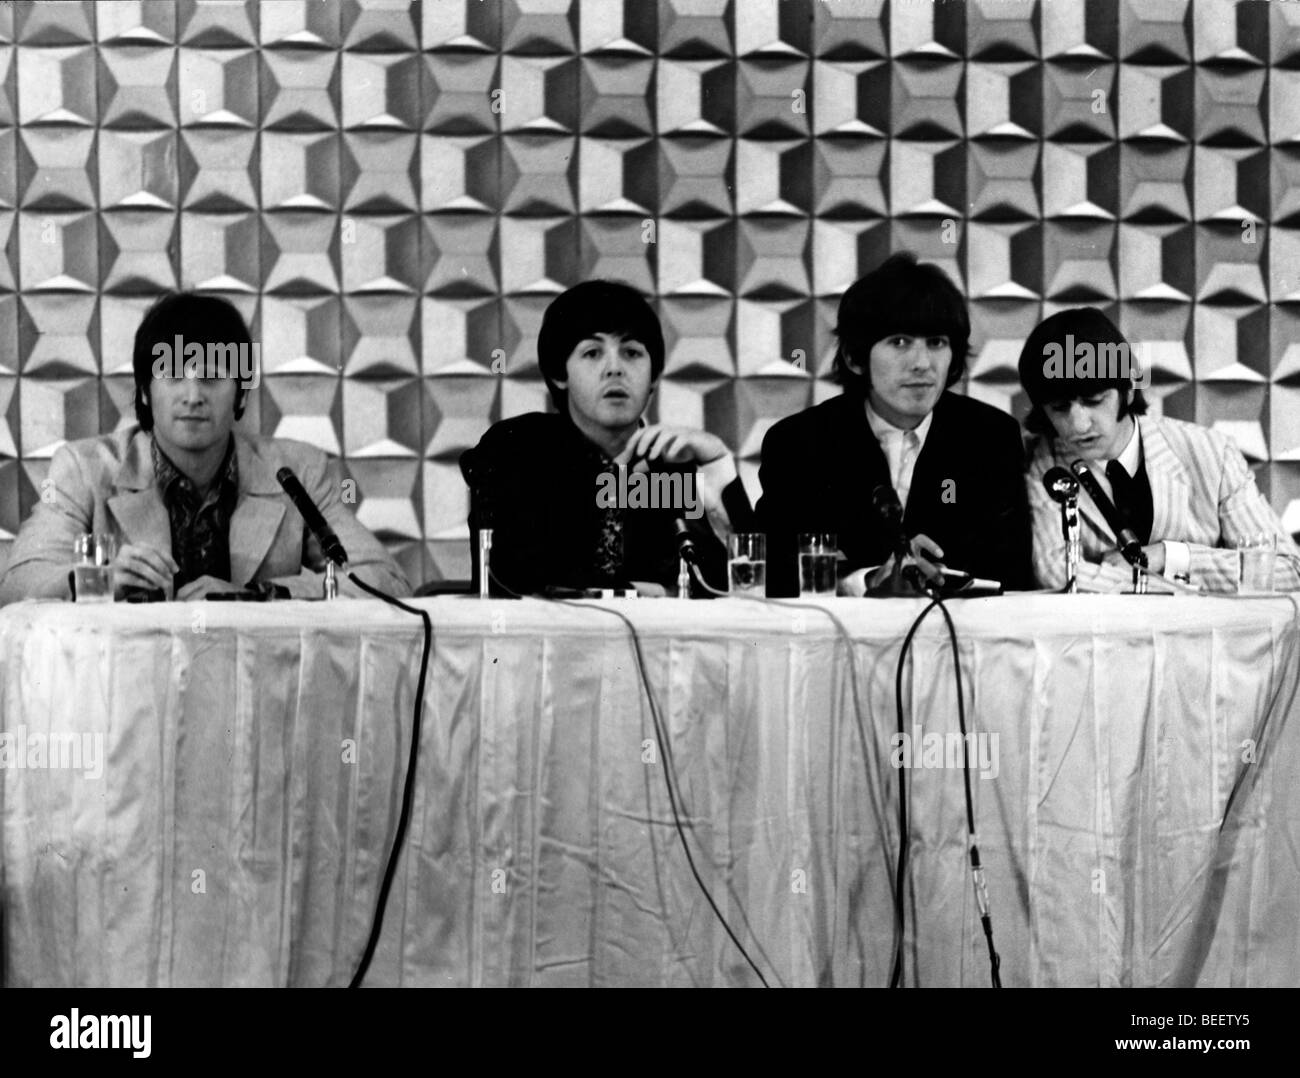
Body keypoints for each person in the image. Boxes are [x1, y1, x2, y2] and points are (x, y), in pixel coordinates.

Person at [0, 292, 409, 604]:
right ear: (144, 391)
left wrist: (254, 597)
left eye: (212, 376)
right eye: (174, 376)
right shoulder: (84, 469)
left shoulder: (296, 469)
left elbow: (384, 580)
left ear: (240, 395)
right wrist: (101, 580)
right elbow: (17, 586)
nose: (193, 395)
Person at [757, 252, 1033, 597]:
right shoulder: (799, 442)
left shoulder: (991, 437)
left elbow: (1014, 572)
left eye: (936, 343)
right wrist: (869, 580)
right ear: (855, 358)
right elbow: (772, 570)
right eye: (899, 342)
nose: (921, 363)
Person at [461, 279, 752, 596]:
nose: (615, 369)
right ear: (560, 374)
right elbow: (519, 582)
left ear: (653, 375)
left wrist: (718, 463)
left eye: (631, 352)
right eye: (592, 353)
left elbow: (750, 585)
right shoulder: (519, 451)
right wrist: (656, 593)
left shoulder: (674, 467)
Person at [1020, 306, 1300, 593]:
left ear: (1128, 390)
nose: (1078, 425)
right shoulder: (1044, 462)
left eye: (1094, 400)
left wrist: (1168, 556)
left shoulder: (1212, 452)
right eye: (1059, 408)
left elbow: (1288, 570)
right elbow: (1054, 573)